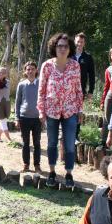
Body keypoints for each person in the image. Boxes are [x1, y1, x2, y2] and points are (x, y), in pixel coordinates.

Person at [38, 33, 83, 188]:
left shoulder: (75, 66)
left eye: (65, 46)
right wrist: (41, 111)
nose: (62, 49)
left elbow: (78, 89)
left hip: (70, 111)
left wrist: (80, 110)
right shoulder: (47, 66)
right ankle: (52, 172)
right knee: (51, 143)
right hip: (51, 111)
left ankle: (69, 173)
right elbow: (41, 90)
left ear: (70, 48)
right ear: (54, 48)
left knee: (70, 144)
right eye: (59, 46)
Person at [15, 61, 41, 173]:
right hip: (24, 117)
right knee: (25, 143)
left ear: (36, 70)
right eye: (28, 69)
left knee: (37, 143)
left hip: (37, 118)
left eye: (32, 69)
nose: (30, 71)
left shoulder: (40, 83)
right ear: (25, 71)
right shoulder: (21, 84)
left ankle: (37, 165)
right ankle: (26, 165)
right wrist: (17, 118)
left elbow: (44, 100)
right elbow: (17, 102)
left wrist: (43, 115)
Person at [73, 32, 95, 141]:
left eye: (81, 42)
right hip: (67, 89)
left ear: (84, 43)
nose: (79, 44)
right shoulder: (68, 55)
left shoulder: (87, 57)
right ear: (74, 42)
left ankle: (75, 135)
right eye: (78, 41)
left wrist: (90, 91)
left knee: (78, 112)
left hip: (80, 90)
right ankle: (64, 134)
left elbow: (92, 75)